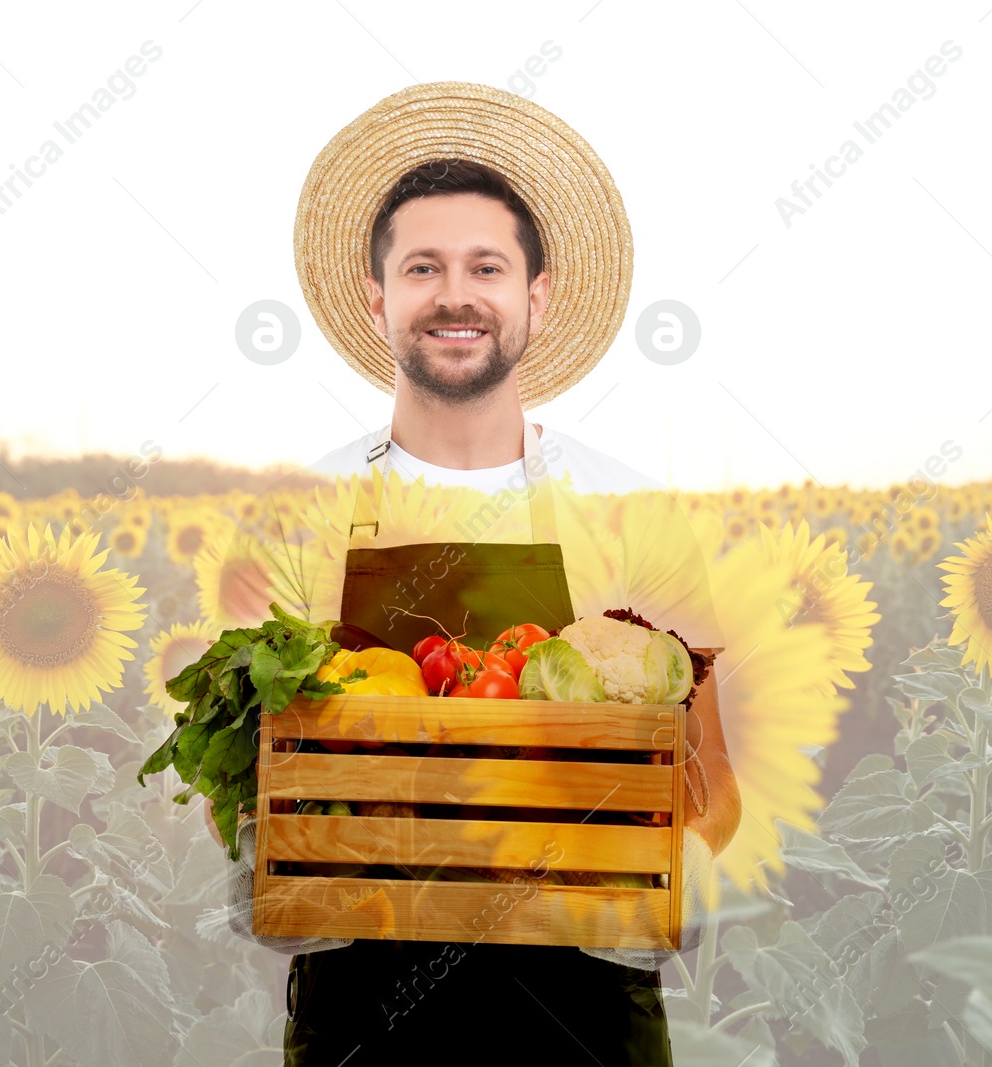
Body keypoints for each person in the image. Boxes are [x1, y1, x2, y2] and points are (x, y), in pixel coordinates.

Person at [207, 82, 742, 1066]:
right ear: (378, 298)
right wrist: (265, 862)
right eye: (423, 267)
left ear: (535, 296)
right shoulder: (300, 514)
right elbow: (250, 774)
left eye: (485, 266)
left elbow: (710, 785)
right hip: (358, 1001)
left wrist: (679, 876)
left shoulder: (629, 507)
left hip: (586, 1003)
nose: (455, 295)